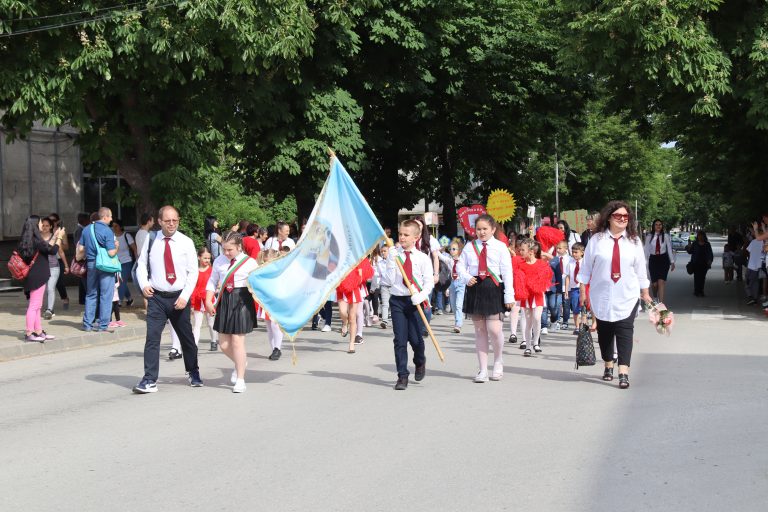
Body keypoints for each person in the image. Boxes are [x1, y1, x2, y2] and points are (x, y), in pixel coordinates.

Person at [578, 200, 651, 390]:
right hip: (601, 293)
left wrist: (645, 291)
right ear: (609, 217)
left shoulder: (634, 241)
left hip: (627, 293)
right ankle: (608, 364)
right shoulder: (597, 240)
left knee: (625, 329)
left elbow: (640, 268)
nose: (622, 219)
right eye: (618, 216)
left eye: (626, 217)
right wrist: (582, 292)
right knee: (605, 331)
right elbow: (586, 269)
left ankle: (623, 371)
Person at [133, 205, 202, 394]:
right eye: (168, 220)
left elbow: (193, 272)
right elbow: (141, 264)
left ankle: (193, 372)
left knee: (186, 339)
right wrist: (144, 283)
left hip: (179, 297)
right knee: (152, 339)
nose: (172, 224)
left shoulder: (186, 242)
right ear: (160, 221)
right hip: (157, 297)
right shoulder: (151, 239)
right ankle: (149, 380)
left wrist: (185, 296)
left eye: (175, 220)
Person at [457, 215, 514, 382]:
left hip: (494, 287)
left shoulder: (500, 247)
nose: (481, 232)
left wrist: (509, 294)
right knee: (480, 330)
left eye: (485, 229)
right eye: (478, 229)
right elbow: (460, 265)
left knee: (495, 330)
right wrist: (466, 277)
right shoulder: (469, 246)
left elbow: (507, 271)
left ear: (493, 229)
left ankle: (498, 361)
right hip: (475, 287)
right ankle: (482, 369)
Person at [205, 231, 259, 392]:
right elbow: (212, 280)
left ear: (239, 247)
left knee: (237, 341)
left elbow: (259, 284)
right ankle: (241, 361)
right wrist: (208, 300)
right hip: (225, 300)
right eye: (224, 250)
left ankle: (240, 380)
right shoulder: (219, 261)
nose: (226, 253)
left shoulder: (250, 263)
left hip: (242, 300)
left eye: (230, 250)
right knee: (223, 344)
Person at [386, 220, 434, 390]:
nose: (402, 237)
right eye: (400, 234)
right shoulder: (394, 255)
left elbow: (429, 282)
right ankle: (402, 376)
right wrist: (391, 262)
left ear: (416, 237)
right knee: (400, 340)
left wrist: (421, 295)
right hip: (398, 300)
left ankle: (420, 361)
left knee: (415, 339)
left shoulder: (422, 258)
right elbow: (389, 281)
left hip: (415, 302)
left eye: (406, 235)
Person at [18, 216, 64, 342]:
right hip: (38, 276)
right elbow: (53, 250)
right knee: (34, 306)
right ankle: (29, 333)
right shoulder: (36, 241)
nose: (41, 225)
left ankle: (38, 331)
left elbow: (46, 248)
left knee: (37, 305)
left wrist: (54, 236)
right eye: (39, 223)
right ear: (34, 225)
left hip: (34, 276)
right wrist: (59, 237)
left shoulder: (28, 241)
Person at [78, 207, 118, 332]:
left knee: (91, 294)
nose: (111, 219)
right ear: (105, 217)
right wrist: (117, 247)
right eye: (110, 216)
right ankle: (103, 325)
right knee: (106, 295)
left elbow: (80, 249)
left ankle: (87, 324)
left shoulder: (86, 229)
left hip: (91, 263)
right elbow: (111, 253)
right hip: (105, 265)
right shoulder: (108, 231)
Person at [518, 239, 552, 355]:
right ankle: (528, 346)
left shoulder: (541, 263)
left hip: (537, 295)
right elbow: (518, 281)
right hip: (527, 296)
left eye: (523, 250)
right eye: (520, 249)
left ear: (531, 251)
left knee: (537, 318)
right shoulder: (521, 265)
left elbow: (547, 278)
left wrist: (539, 285)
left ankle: (536, 342)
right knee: (528, 322)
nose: (520, 251)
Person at [336, 257, 374, 353]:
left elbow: (362, 275)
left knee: (353, 317)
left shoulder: (358, 256)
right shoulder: (341, 256)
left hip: (354, 288)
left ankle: (351, 344)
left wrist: (357, 278)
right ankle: (345, 322)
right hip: (342, 288)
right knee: (342, 312)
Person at [190, 246, 218, 351]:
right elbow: (192, 288)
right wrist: (192, 304)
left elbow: (216, 284)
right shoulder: (194, 271)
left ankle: (214, 341)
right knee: (197, 324)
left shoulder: (212, 271)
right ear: (199, 257)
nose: (207, 260)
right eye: (205, 258)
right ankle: (194, 345)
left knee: (211, 323)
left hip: (209, 300)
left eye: (208, 258)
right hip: (197, 300)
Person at [644, 219, 676, 304]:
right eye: (656, 225)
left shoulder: (665, 236)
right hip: (653, 260)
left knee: (661, 282)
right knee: (654, 284)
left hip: (663, 260)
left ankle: (661, 305)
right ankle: (655, 297)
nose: (658, 226)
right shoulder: (649, 236)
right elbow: (646, 250)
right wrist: (644, 262)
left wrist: (672, 261)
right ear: (653, 226)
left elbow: (669, 249)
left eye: (660, 224)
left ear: (662, 226)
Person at [39, 217, 65, 319]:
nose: (45, 227)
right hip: (41, 267)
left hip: (53, 267)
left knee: (50, 288)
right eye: (43, 225)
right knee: (44, 289)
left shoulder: (54, 237)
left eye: (47, 225)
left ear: (50, 227)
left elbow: (60, 251)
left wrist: (66, 265)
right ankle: (45, 307)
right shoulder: (37, 238)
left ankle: (50, 309)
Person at [48, 213, 70, 310]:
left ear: (57, 221)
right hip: (47, 260)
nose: (51, 222)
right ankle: (49, 306)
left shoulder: (61, 232)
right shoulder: (46, 231)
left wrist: (58, 242)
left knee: (59, 282)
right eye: (50, 220)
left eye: (53, 220)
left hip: (58, 259)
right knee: (48, 284)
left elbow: (66, 246)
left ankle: (65, 298)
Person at [112, 219, 136, 307]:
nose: (114, 228)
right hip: (115, 263)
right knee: (122, 282)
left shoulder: (127, 235)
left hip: (126, 262)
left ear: (120, 226)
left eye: (116, 226)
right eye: (113, 226)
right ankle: (129, 299)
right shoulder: (112, 236)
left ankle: (119, 301)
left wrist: (137, 260)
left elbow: (134, 248)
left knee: (121, 282)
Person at [564, 242, 585, 334]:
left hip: (583, 289)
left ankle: (583, 326)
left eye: (576, 252)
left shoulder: (585, 263)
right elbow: (568, 276)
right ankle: (577, 327)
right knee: (576, 309)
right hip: (574, 289)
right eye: (573, 252)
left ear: (582, 252)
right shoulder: (570, 263)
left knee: (583, 308)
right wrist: (566, 290)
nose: (574, 254)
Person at [686, 230, 714, 297]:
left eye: (701, 235)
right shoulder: (695, 244)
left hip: (704, 264)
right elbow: (690, 251)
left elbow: (710, 253)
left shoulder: (707, 244)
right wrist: (688, 245)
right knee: (696, 277)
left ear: (704, 236)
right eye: (699, 235)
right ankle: (696, 291)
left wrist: (710, 261)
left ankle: (701, 291)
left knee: (702, 278)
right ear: (697, 236)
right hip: (695, 263)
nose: (700, 237)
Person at [447, 239, 467, 333]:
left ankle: (458, 324)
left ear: (459, 250)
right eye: (450, 249)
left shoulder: (462, 261)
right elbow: (440, 256)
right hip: (452, 283)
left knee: (459, 305)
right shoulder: (450, 260)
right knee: (453, 306)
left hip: (460, 283)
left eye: (454, 249)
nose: (452, 251)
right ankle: (457, 320)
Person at [73, 212, 90, 305]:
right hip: (82, 259)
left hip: (82, 258)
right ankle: (84, 300)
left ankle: (82, 299)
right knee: (84, 280)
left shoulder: (80, 230)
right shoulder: (80, 230)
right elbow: (80, 247)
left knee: (82, 280)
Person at [745, 236, 767, 305]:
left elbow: (749, 252)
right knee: (756, 283)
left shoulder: (754, 241)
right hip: (760, 266)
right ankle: (755, 298)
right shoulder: (765, 242)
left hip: (752, 266)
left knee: (748, 283)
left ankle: (751, 297)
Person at [377, 244, 392, 328]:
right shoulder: (380, 263)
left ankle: (396, 320)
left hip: (394, 286)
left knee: (394, 304)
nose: (383, 253)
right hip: (384, 285)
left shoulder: (394, 261)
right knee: (385, 304)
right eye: (382, 251)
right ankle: (385, 320)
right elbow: (379, 275)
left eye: (385, 251)